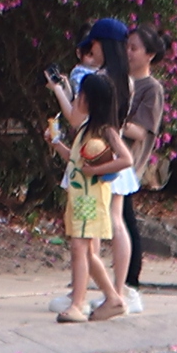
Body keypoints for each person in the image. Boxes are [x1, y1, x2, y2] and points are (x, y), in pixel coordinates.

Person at [48, 72, 128, 323]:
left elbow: (126, 160)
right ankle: (112, 298)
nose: (78, 98)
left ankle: (78, 303)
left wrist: (96, 170)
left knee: (80, 249)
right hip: (79, 196)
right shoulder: (86, 128)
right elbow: (74, 161)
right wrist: (56, 145)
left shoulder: (106, 131)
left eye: (81, 94)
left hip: (90, 198)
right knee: (85, 252)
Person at [118, 26, 169, 311]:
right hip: (108, 159)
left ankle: (131, 285)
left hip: (127, 163)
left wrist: (112, 119)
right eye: (126, 45)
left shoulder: (152, 89)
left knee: (125, 222)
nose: (128, 52)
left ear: (150, 54)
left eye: (134, 47)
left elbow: (141, 132)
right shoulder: (118, 80)